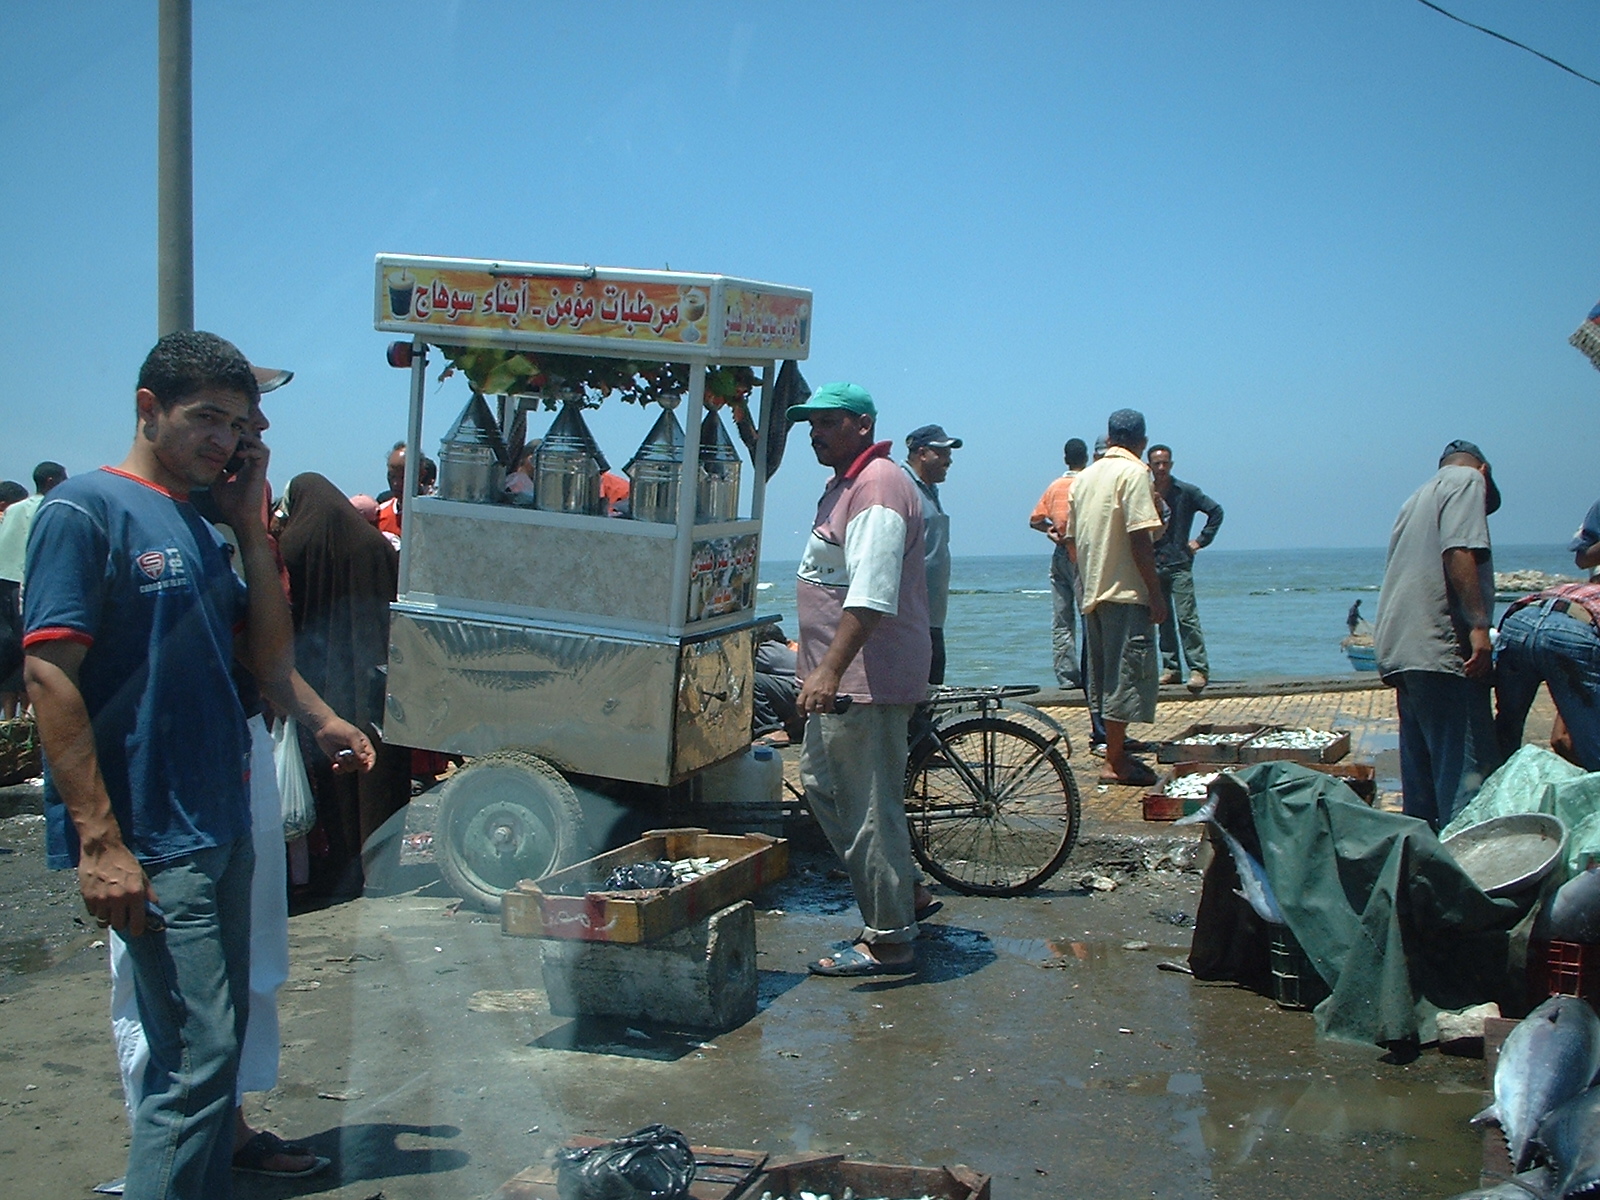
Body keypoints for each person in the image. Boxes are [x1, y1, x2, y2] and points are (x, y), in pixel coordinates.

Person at [22, 331, 363, 1200]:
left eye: (239, 423)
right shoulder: (85, 512)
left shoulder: (210, 521)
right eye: (206, 417)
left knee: (218, 1047)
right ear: (148, 408)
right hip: (152, 832)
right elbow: (48, 676)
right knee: (192, 1055)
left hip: (222, 814)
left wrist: (251, 526)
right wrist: (101, 841)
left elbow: (266, 662)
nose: (224, 439)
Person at [788, 382, 935, 976]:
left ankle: (890, 939)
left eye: (827, 422)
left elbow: (872, 593)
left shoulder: (877, 486)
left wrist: (829, 669)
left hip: (862, 683)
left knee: (868, 805)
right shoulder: (847, 485)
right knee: (821, 782)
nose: (815, 433)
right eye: (810, 424)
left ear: (862, 425)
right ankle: (908, 893)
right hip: (843, 682)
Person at [278, 472, 410, 897]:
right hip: (379, 677)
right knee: (379, 772)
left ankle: (340, 865)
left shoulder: (297, 542)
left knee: (333, 770)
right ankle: (383, 868)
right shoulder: (375, 545)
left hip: (324, 679)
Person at [1373, 440, 1501, 829]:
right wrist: (1479, 626)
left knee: (1423, 786)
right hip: (1442, 651)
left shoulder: (1417, 498)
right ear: (1483, 469)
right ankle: (1469, 880)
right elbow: (1458, 549)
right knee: (1466, 777)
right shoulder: (1467, 481)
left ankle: (1423, 877)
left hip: (1404, 650)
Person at [1066, 409, 1167, 787]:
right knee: (1125, 679)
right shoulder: (1135, 473)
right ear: (1141, 441)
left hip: (1092, 593)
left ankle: (1115, 753)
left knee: (1105, 680)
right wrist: (1155, 594)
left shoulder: (1085, 478)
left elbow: (1072, 544)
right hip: (1125, 592)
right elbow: (1141, 537)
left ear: (1109, 439)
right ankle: (1114, 761)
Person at [1494, 578, 1600, 771]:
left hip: (1520, 621)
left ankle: (1492, 788)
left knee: (1506, 727)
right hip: (1571, 633)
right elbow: (1561, 738)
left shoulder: (1580, 587)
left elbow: (1560, 738)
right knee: (1593, 740)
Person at [1147, 445, 1223, 693]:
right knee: (1162, 618)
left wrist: (1200, 541)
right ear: (1149, 466)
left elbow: (1215, 511)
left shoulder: (1186, 492)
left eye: (1165, 463)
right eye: (1156, 463)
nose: (1161, 468)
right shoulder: (1144, 492)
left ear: (1171, 464)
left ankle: (1198, 668)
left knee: (1186, 617)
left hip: (1180, 561)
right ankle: (1171, 668)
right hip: (1153, 561)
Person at [0, 462, 68, 718]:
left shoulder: (13, 510)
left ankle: (9, 716)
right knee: (29, 646)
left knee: (6, 650)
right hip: (25, 581)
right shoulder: (49, 507)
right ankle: (29, 713)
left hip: (3, 580)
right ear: (51, 481)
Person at [902, 424, 961, 685]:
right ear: (922, 453)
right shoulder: (904, 487)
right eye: (943, 453)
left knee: (932, 691)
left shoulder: (929, 490)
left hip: (932, 617)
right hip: (911, 619)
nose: (949, 461)